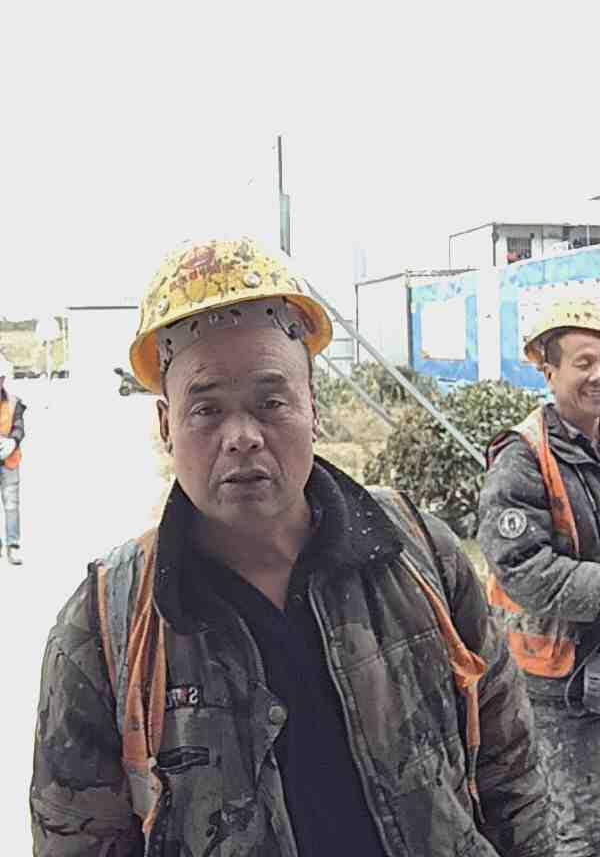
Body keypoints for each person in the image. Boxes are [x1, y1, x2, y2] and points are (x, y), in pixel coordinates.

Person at [31, 237, 553, 856]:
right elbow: (76, 839)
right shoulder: (106, 628)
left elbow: (511, 775)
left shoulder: (419, 555)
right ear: (167, 425)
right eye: (207, 410)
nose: (242, 436)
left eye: (271, 402)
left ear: (313, 408)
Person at [478, 297, 600, 856]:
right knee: (577, 828)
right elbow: (522, 569)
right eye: (584, 362)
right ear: (549, 371)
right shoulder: (523, 456)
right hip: (557, 682)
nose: (597, 375)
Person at [0, 353, 25, 565]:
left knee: (11, 505)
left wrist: (12, 442)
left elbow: (19, 426)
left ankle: (13, 545)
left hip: (9, 461)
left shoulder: (14, 402)